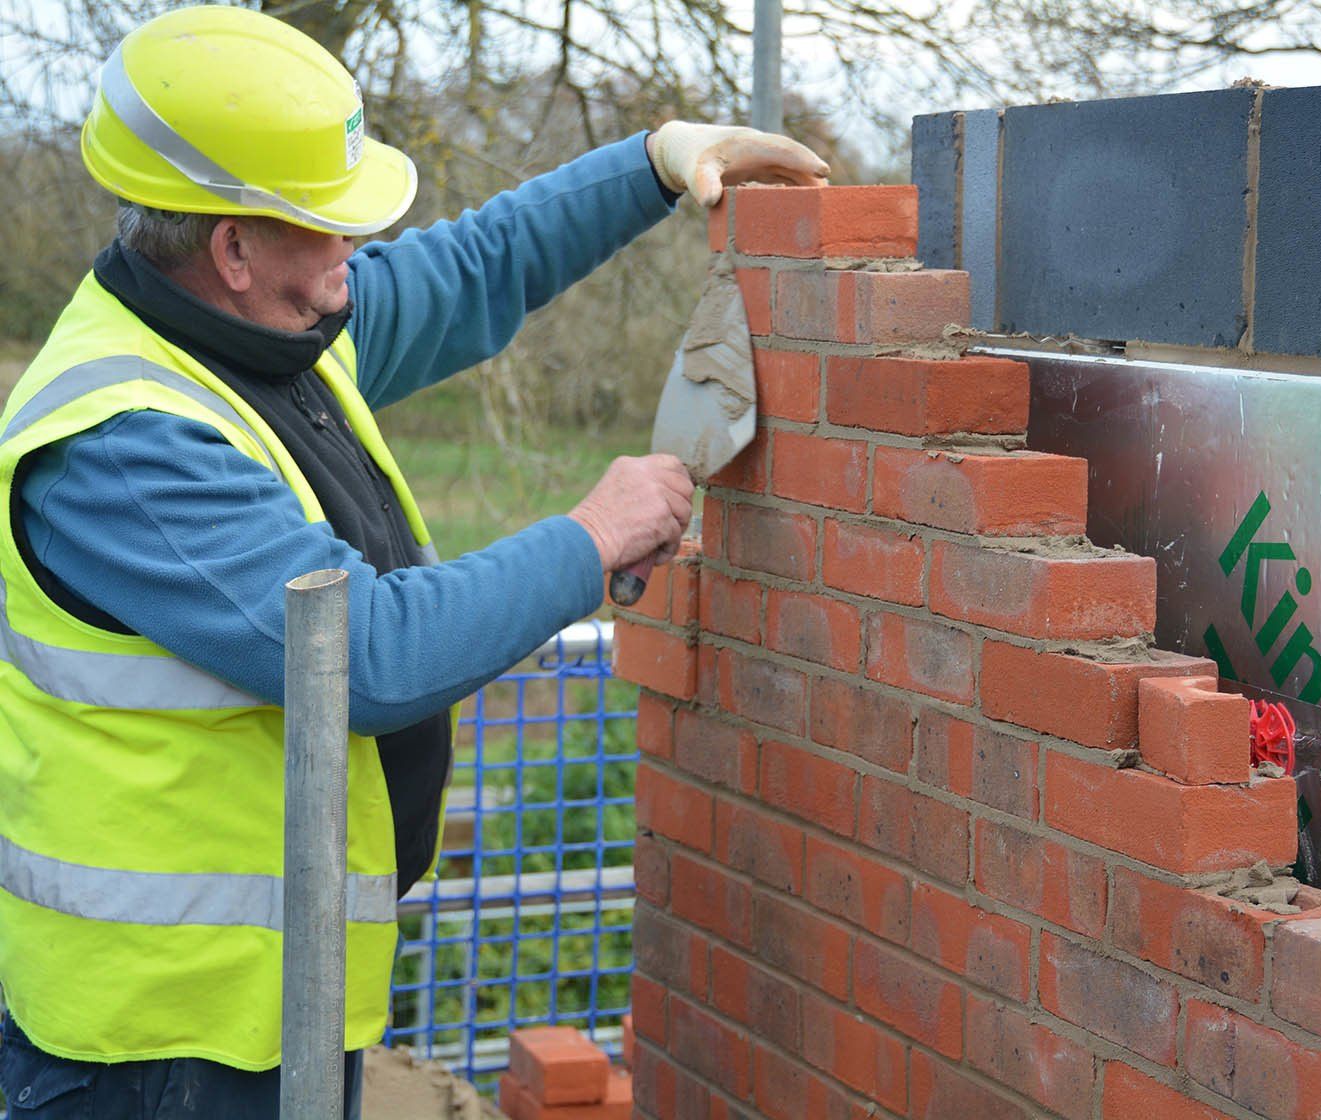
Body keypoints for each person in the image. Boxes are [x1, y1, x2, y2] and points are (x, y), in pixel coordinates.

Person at [0, 6, 827, 1117]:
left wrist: (653, 165)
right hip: (157, 1047)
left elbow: (473, 266)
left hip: (267, 1004)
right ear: (233, 248)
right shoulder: (124, 444)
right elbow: (365, 655)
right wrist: (592, 535)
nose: (353, 260)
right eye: (327, 227)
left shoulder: (262, 328)